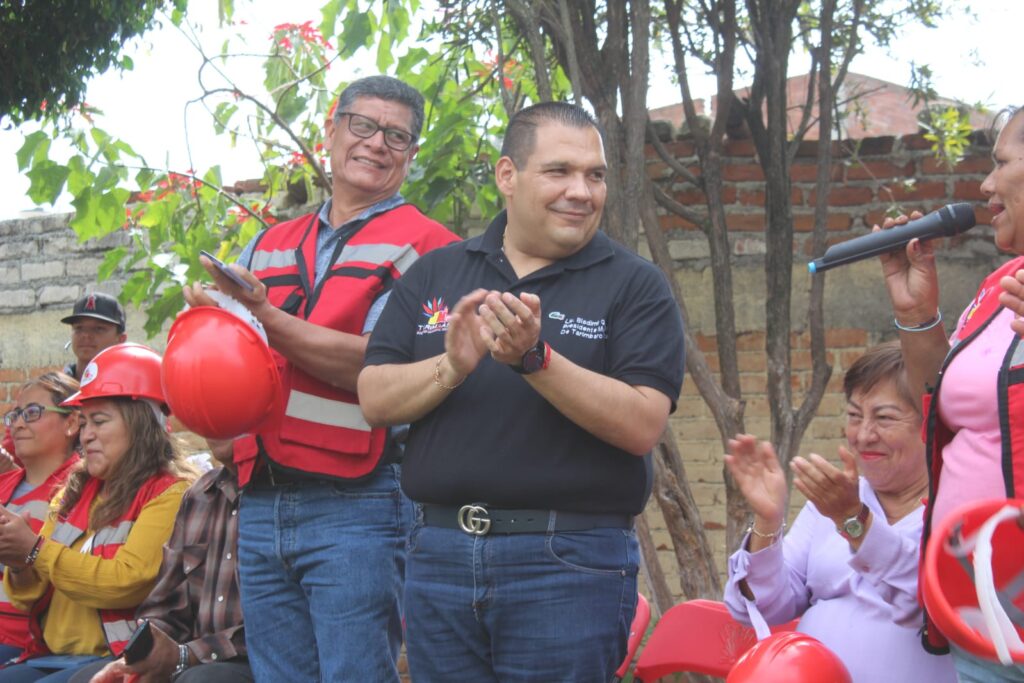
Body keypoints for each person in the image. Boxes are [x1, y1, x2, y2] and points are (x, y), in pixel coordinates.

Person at [359, 101, 686, 682]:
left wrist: (535, 360)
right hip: (439, 558)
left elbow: (642, 424)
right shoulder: (437, 273)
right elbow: (375, 400)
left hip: (568, 565)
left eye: (595, 175)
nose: (581, 191)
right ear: (507, 175)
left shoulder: (634, 285)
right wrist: (451, 366)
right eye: (559, 171)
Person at [182, 74, 458, 681]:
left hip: (361, 502)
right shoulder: (269, 244)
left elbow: (382, 364)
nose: (376, 143)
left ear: (410, 155)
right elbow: (238, 363)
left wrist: (263, 317)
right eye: (362, 125)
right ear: (331, 131)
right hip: (257, 501)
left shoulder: (433, 249)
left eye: (397, 136)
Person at [877, 104, 1024, 682]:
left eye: (1001, 163)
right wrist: (917, 313)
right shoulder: (999, 285)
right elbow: (940, 404)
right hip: (979, 598)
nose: (985, 185)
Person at [722, 342, 956, 683]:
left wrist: (854, 521)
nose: (863, 435)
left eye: (884, 418)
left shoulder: (956, 505)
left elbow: (932, 607)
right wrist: (767, 521)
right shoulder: (834, 501)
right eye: (854, 416)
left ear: (930, 424)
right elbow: (764, 608)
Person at [0, 344, 194, 683]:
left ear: (142, 424)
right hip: (48, 655)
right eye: (85, 422)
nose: (86, 435)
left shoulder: (169, 492)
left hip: (116, 660)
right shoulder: (73, 492)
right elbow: (29, 596)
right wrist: (19, 562)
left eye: (99, 422)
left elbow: (126, 582)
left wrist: (34, 550)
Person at [71, 438, 249, 683]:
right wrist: (146, 652)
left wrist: (186, 655)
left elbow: (275, 625)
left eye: (99, 421)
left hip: (252, 660)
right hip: (187, 659)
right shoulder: (200, 495)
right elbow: (165, 601)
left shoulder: (286, 495)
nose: (87, 436)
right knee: (88, 679)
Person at [0, 374, 81, 663]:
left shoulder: (83, 490)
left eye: (33, 413)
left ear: (71, 423)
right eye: (16, 415)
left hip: (29, 642)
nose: (19, 424)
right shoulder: (5, 485)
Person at [59, 293, 127, 381]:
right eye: (79, 328)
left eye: (98, 329)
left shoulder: (130, 388)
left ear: (121, 339)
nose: (86, 335)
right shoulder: (54, 389)